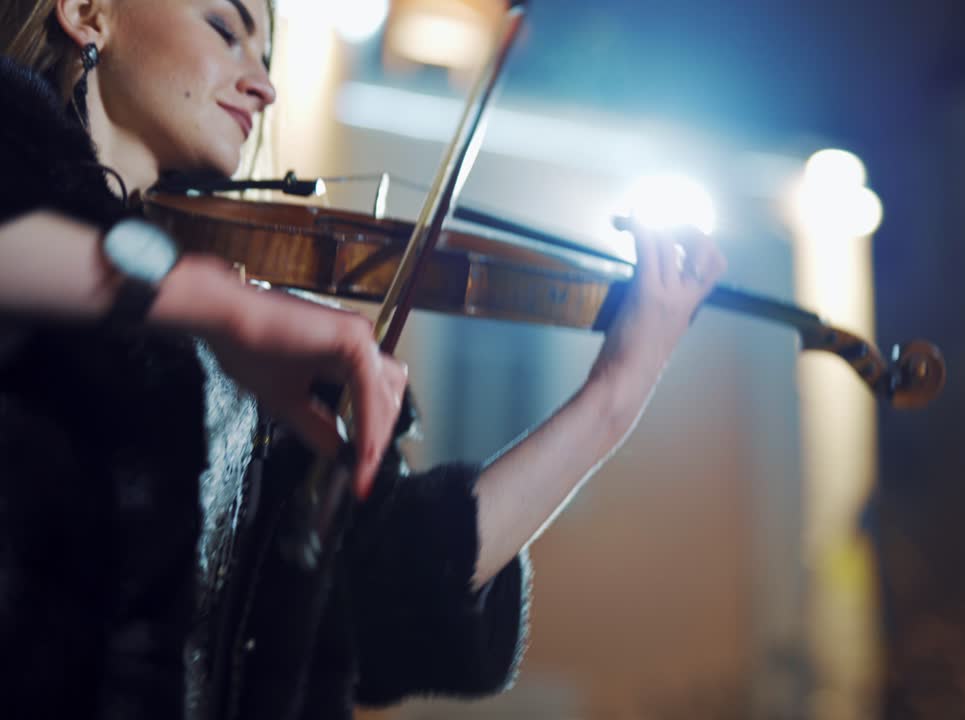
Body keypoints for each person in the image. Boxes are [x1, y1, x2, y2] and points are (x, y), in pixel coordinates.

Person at [0, 0, 727, 718]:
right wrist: (216, 306)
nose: (264, 84)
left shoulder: (243, 339)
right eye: (225, 29)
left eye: (269, 58)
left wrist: (617, 393)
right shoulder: (76, 222)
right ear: (87, 11)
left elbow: (389, 602)